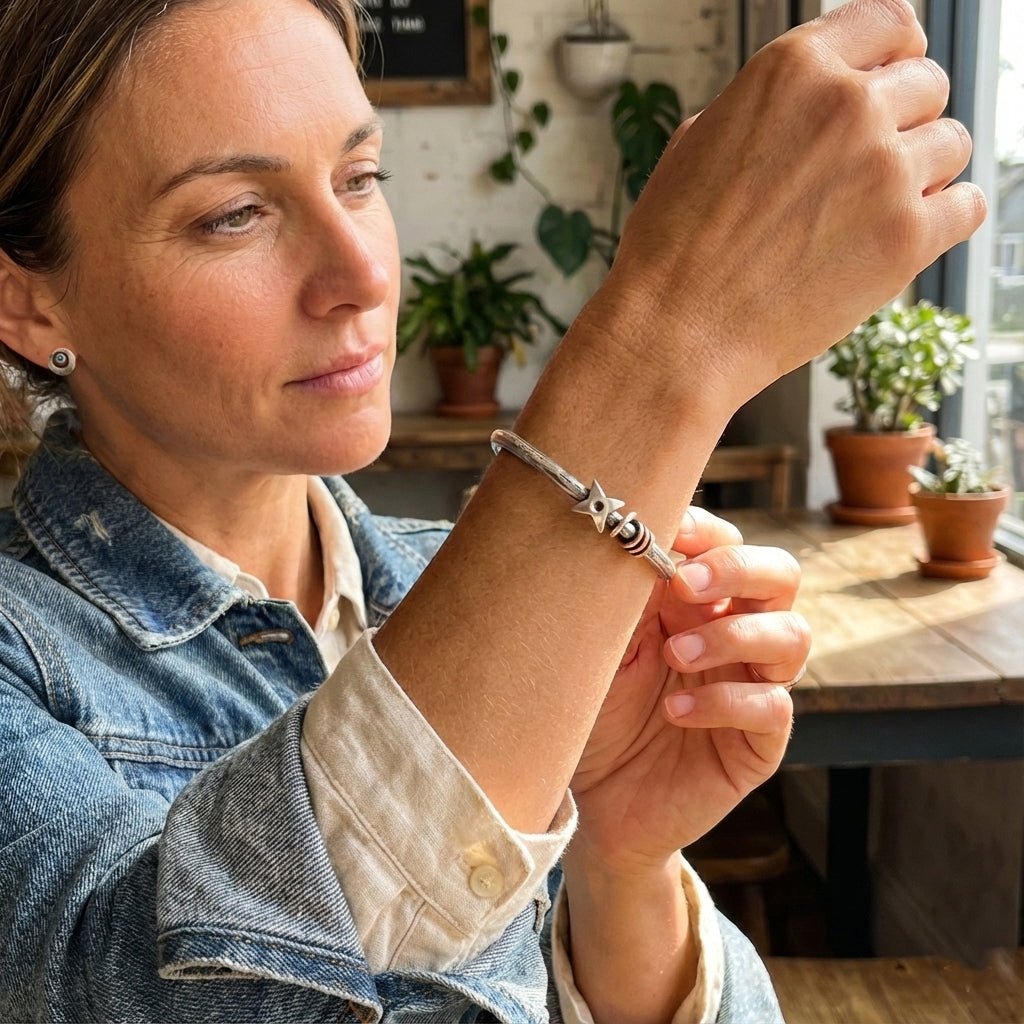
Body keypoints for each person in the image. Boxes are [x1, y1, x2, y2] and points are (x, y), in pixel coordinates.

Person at [0, 0, 982, 1020]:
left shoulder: (460, 584)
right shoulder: (22, 664)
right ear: (31, 303)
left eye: (359, 178)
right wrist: (660, 343)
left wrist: (620, 864)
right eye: (233, 213)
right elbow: (148, 985)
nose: (365, 274)